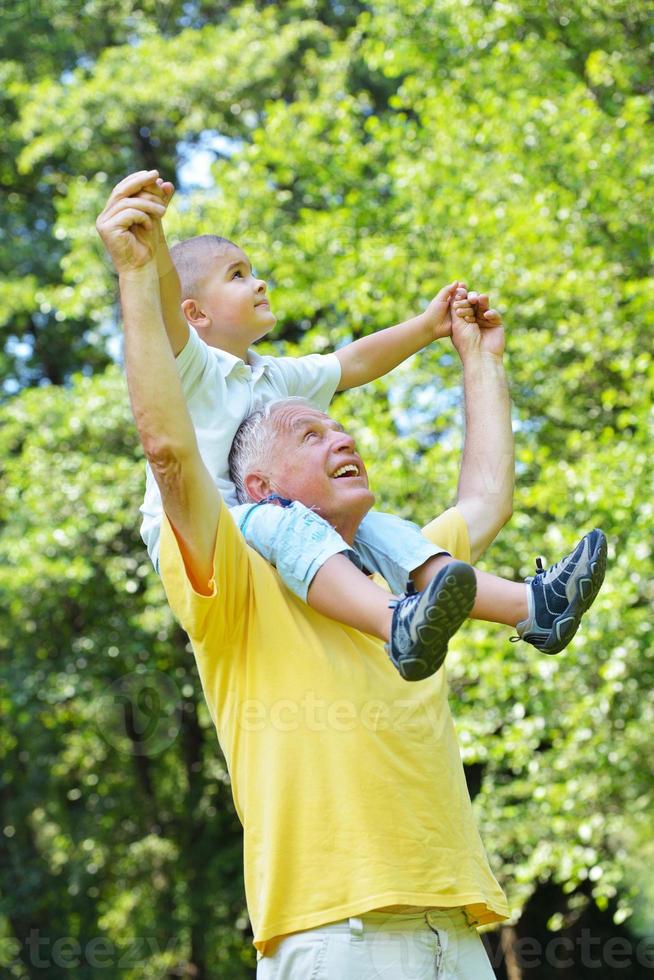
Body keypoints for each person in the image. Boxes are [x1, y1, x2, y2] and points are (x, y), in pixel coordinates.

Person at [97, 173, 605, 977]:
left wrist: (475, 353)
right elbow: (168, 440)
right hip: (340, 934)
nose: (340, 438)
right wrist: (139, 261)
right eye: (310, 435)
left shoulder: (397, 566)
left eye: (338, 430)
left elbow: (485, 498)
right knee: (273, 524)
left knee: (397, 548)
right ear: (263, 476)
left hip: (458, 925)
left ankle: (534, 609)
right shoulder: (240, 569)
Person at [122, 171, 603, 680]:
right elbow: (161, 315)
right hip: (206, 539)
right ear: (194, 313)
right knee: (282, 519)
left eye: (252, 271)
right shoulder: (193, 367)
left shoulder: (272, 376)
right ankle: (391, 620)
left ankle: (532, 607)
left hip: (272, 522)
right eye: (237, 276)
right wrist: (152, 251)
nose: (258, 282)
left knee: (370, 524)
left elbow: (351, 363)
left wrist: (427, 327)